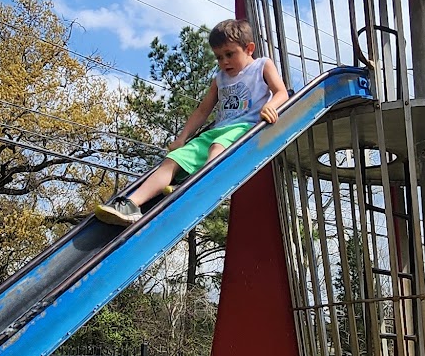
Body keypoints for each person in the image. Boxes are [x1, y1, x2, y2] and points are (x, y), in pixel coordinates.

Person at [95, 18, 288, 226]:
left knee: (217, 148)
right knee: (174, 159)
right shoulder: (219, 78)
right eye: (219, 57)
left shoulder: (262, 66)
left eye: (230, 54)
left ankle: (195, 189)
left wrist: (271, 105)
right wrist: (182, 138)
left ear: (249, 49)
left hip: (246, 129)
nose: (224, 62)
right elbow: (203, 110)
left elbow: (282, 92)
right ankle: (132, 203)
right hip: (218, 130)